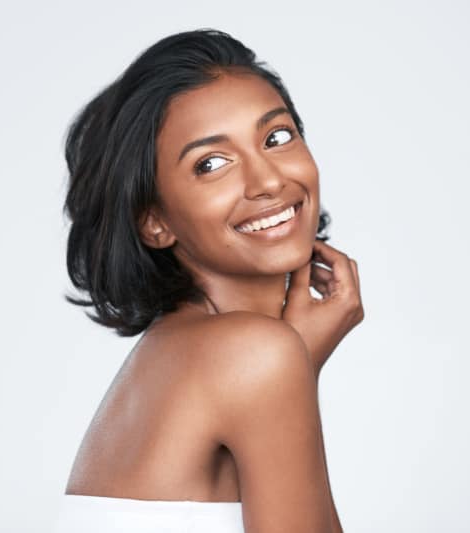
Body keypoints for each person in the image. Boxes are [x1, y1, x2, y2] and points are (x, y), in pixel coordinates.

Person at [53, 28, 364, 533]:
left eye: (277, 137)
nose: (267, 181)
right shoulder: (252, 352)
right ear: (155, 221)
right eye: (211, 164)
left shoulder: (185, 349)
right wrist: (296, 362)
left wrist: (298, 363)